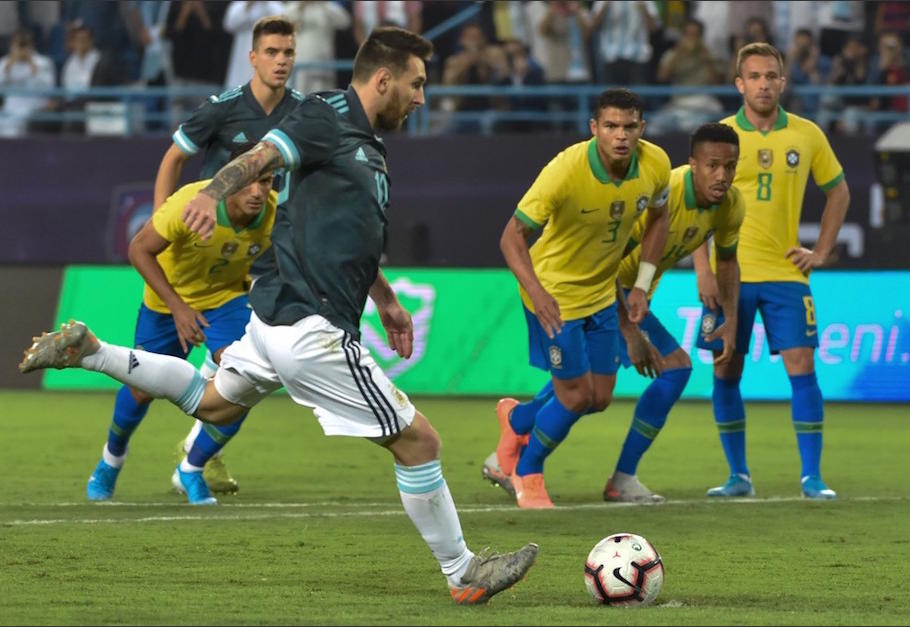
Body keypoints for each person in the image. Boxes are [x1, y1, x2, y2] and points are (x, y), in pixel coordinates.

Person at [20, 26, 538, 605]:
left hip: (271, 322)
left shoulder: (362, 142)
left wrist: (386, 298)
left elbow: (350, 237)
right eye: (416, 84)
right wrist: (210, 192)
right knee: (419, 442)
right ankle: (463, 573)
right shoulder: (326, 116)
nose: (421, 98)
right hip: (312, 327)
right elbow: (259, 157)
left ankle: (94, 352)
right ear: (383, 79)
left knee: (211, 402)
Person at [481, 88, 672, 509]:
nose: (620, 135)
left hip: (601, 294)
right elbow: (511, 237)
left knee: (598, 397)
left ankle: (516, 419)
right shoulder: (565, 170)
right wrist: (537, 293)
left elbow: (660, 218)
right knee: (574, 395)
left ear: (642, 128)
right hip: (555, 295)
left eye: (629, 127)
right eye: (611, 126)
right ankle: (527, 472)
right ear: (594, 128)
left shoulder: (656, 164)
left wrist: (641, 285)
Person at [692, 42, 850, 500]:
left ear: (782, 81)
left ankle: (812, 477)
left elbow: (838, 192)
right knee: (726, 369)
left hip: (785, 274)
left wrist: (821, 251)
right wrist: (701, 269)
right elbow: (694, 203)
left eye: (771, 76)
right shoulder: (720, 136)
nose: (763, 84)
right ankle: (738, 476)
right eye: (755, 76)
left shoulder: (806, 134)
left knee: (803, 366)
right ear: (739, 84)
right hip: (729, 276)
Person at [153, 15, 302, 495]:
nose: (281, 61)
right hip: (216, 251)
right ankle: (195, 455)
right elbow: (174, 157)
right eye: (272, 52)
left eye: (288, 52)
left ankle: (198, 450)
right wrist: (162, 220)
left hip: (271, 246)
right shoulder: (223, 109)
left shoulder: (304, 114)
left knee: (250, 367)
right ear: (252, 57)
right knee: (242, 365)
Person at [87, 147, 278, 505]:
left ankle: (191, 468)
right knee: (141, 390)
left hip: (225, 300)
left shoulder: (276, 213)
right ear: (229, 179)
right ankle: (111, 460)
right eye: (249, 182)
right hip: (166, 302)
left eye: (266, 182)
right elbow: (139, 249)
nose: (258, 192)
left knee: (246, 378)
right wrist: (178, 308)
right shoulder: (190, 204)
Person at [603, 122, 743, 503]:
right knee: (587, 391)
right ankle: (519, 442)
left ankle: (517, 437)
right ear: (693, 164)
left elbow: (727, 261)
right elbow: (607, 256)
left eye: (730, 167)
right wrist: (628, 326)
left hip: (631, 295)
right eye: (713, 166)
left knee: (585, 388)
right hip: (604, 289)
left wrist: (730, 320)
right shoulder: (664, 194)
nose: (722, 175)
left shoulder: (730, 204)